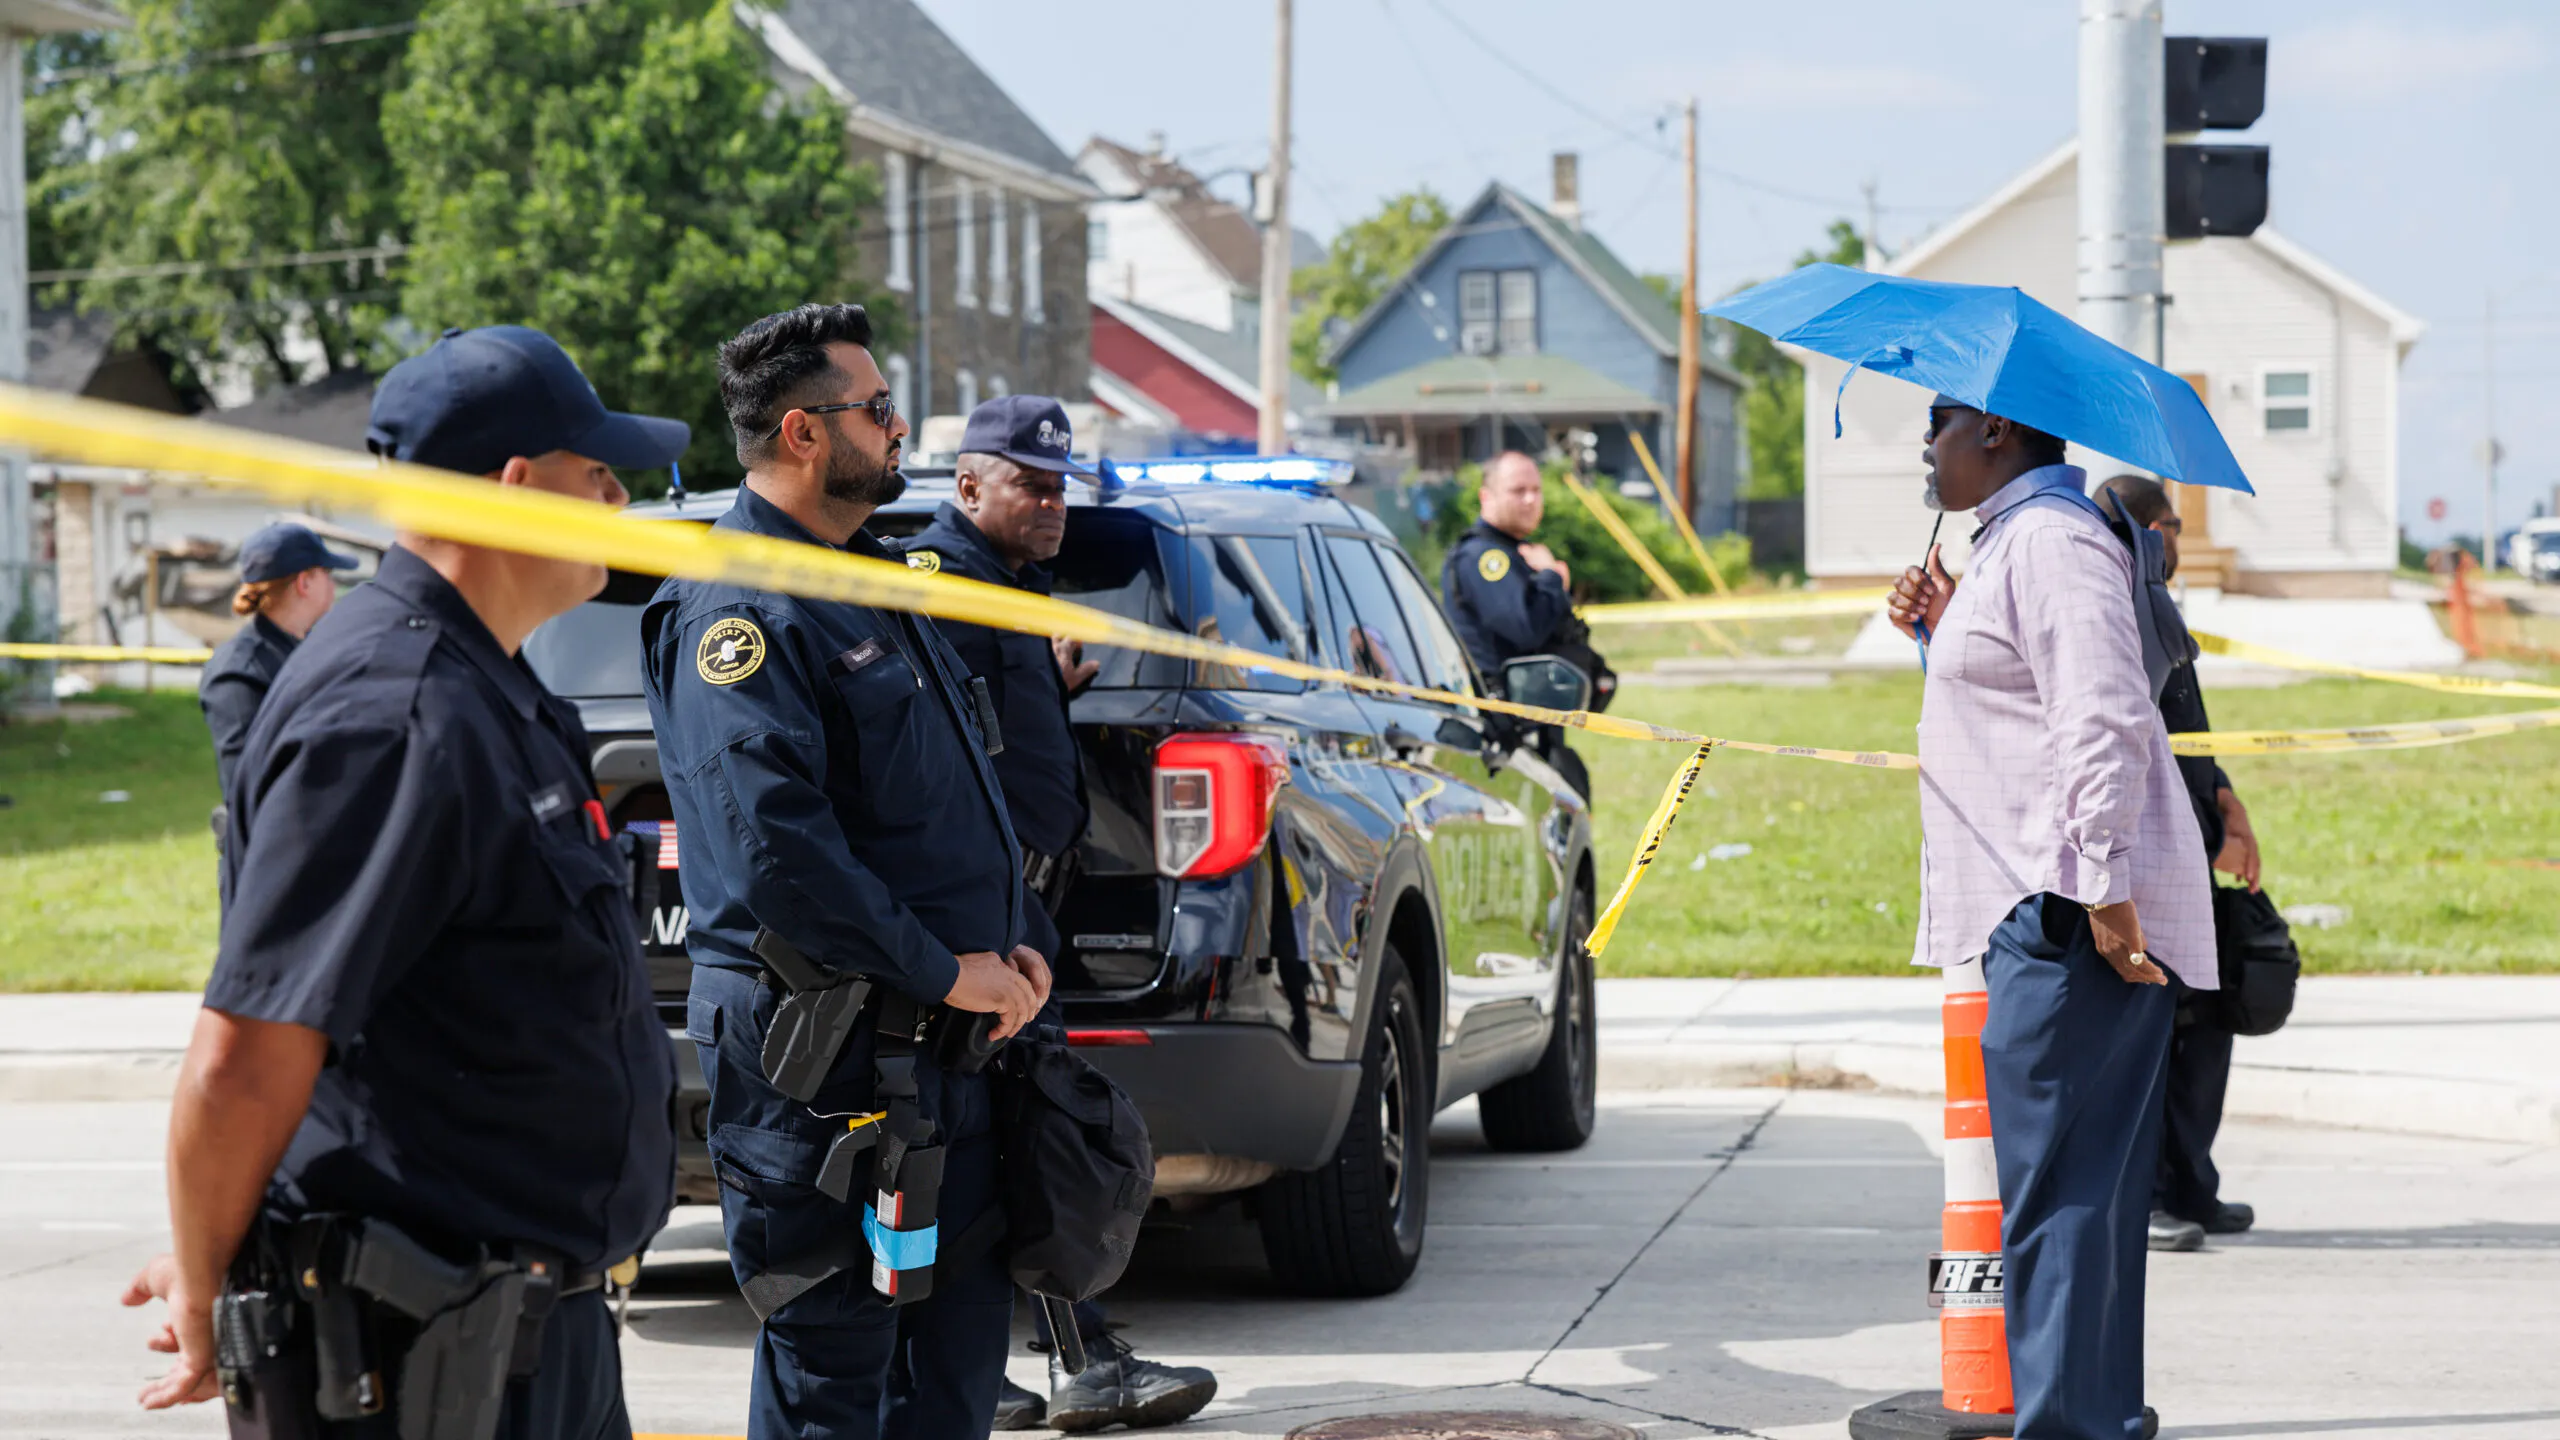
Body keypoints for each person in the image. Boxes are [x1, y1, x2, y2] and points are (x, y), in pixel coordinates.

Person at [121, 325, 686, 1436]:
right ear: (515, 489)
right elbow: (245, 1056)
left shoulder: (490, 686)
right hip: (420, 1357)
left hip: (531, 1337)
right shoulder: (394, 711)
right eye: (598, 474)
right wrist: (205, 1277)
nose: (620, 502)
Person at [642, 303, 1049, 1440]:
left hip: (946, 1053)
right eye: (878, 408)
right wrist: (944, 968)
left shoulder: (868, 578)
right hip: (822, 1062)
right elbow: (778, 850)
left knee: (954, 1373)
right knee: (835, 1376)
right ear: (803, 431)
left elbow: (949, 802)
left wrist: (1018, 944)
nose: (899, 425)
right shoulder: (739, 606)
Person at [1888, 397, 2214, 1440]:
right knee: (2071, 1196)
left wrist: (2105, 892)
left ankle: (2076, 1426)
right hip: (2045, 903)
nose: (1925, 445)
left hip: (2068, 913)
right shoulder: (2013, 542)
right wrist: (1941, 627)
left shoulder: (2053, 543)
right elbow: (2019, 704)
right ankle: (2092, 1419)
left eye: (1938, 423)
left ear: (1995, 430)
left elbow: (2103, 720)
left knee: (2065, 1200)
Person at [896, 395, 1218, 1433]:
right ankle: (1049, 1360)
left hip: (1019, 901)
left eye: (1060, 487)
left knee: (1013, 1134)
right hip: (971, 917)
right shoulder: (934, 584)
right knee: (1008, 1136)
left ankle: (1011, 1362)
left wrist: (1050, 686)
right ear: (967, 484)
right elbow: (920, 755)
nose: (1052, 504)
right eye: (1029, 485)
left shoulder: (1005, 586)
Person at [2095, 474, 2263, 1254]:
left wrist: (2225, 797)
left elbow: (2188, 730)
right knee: (2151, 1039)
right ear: (2146, 531)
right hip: (2151, 858)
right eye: (2174, 528)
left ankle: (2194, 1183)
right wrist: (2201, 837)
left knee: (2205, 1027)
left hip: (2196, 844)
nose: (2180, 545)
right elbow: (2129, 748)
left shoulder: (2158, 606)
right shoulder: (2116, 613)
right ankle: (2149, 1198)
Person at [1441, 450, 1613, 800]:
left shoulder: (1516, 552)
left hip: (1530, 729)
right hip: (1500, 737)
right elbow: (1524, 628)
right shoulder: (1484, 557)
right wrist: (1552, 578)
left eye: (1536, 490)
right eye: (1518, 491)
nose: (1531, 500)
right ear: (1486, 496)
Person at [198, 523, 359, 796]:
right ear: (304, 582)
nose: (332, 585)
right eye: (327, 573)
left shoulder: (305, 650)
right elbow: (247, 786)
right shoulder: (238, 671)